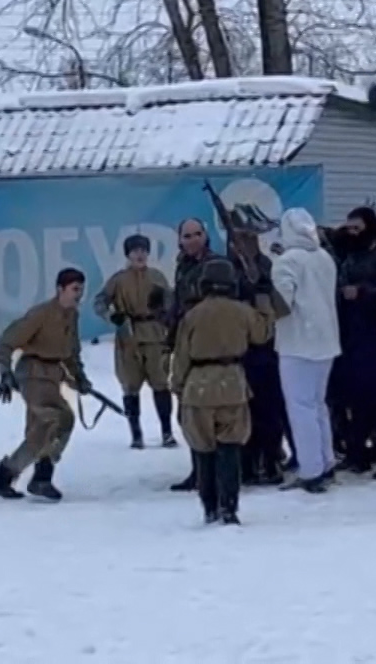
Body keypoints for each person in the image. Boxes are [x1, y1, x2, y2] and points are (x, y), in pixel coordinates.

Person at [173, 257, 276, 525]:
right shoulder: (241, 311)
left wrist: (179, 386)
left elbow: (181, 355)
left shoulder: (192, 315)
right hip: (232, 383)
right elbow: (263, 334)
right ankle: (230, 507)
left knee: (203, 450)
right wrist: (263, 299)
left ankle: (209, 507)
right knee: (230, 448)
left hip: (198, 385)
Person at [0, 268, 92, 503]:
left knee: (52, 425)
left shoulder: (72, 315)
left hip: (53, 376)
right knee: (52, 420)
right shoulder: (40, 314)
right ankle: (36, 478)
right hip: (33, 374)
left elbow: (71, 353)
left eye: (81, 290)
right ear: (60, 289)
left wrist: (80, 377)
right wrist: (5, 372)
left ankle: (14, 478)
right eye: (75, 289)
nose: (79, 295)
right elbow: (5, 343)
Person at [270, 208, 341, 494]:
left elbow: (282, 305)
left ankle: (310, 470)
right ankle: (326, 461)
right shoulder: (325, 258)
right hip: (327, 341)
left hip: (297, 343)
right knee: (318, 405)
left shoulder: (286, 262)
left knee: (300, 408)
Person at [332, 207, 376, 479]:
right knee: (357, 400)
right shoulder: (349, 255)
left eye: (357, 228)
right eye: (349, 228)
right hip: (353, 338)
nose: (352, 234)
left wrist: (362, 293)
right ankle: (357, 453)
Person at [93, 234, 178, 450]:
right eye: (135, 251)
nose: (139, 254)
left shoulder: (157, 276)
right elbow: (100, 301)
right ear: (128, 255)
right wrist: (112, 316)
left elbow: (170, 303)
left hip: (155, 336)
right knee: (130, 386)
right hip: (128, 337)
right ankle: (136, 433)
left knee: (161, 383)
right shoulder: (118, 280)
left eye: (143, 250)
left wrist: (168, 320)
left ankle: (167, 432)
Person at [225, 224, 289, 486]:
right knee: (243, 412)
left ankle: (272, 458)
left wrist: (261, 286)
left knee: (269, 410)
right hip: (236, 348)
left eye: (249, 240)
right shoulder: (226, 268)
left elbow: (280, 307)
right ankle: (247, 463)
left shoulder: (266, 266)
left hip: (265, 348)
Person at [166, 218, 219, 492]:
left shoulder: (215, 265)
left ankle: (214, 473)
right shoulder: (182, 266)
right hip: (185, 345)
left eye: (197, 234)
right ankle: (198, 470)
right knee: (187, 413)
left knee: (212, 414)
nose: (193, 240)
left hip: (210, 347)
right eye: (187, 236)